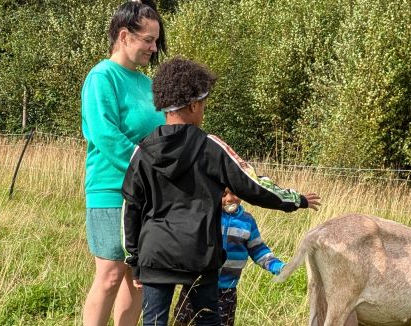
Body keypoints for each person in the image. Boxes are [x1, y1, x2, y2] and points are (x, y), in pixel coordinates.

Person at [121, 56, 321, 326]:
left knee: (154, 322)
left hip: (155, 255)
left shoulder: (142, 149)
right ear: (193, 105)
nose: (203, 110)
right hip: (199, 254)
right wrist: (294, 199)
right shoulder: (211, 147)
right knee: (207, 321)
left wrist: (134, 258)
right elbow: (253, 185)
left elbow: (131, 207)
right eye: (203, 103)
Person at [80, 1, 167, 325]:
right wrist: (147, 166)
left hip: (147, 193)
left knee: (137, 274)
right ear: (124, 35)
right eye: (147, 39)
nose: (153, 47)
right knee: (111, 273)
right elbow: (104, 132)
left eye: (155, 40)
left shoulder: (147, 84)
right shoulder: (102, 76)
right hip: (111, 189)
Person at [173, 188, 287, 326]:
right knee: (184, 322)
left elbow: (258, 249)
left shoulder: (247, 221)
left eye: (235, 193)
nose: (230, 199)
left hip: (227, 290)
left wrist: (276, 265)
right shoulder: (206, 216)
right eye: (223, 194)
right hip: (197, 285)